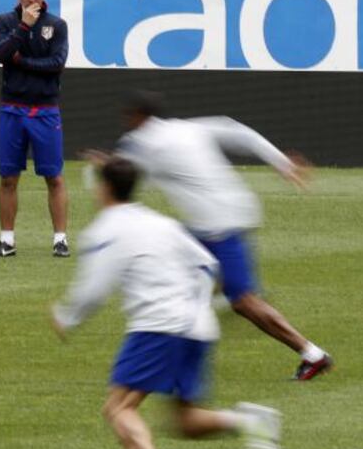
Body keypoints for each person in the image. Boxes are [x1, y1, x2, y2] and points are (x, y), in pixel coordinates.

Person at [52, 157, 281, 449]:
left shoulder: (104, 230)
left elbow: (93, 291)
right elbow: (209, 265)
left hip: (158, 327)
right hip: (198, 326)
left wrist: (66, 317)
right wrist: (196, 304)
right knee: (185, 420)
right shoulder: (161, 222)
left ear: (104, 188)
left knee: (118, 409)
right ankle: (250, 421)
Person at [111, 91, 333, 381]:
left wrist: (103, 165)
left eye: (129, 117)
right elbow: (241, 133)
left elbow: (120, 172)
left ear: (138, 116)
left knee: (243, 301)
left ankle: (312, 354)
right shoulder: (187, 127)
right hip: (230, 213)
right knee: (175, 271)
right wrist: (283, 163)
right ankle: (200, 312)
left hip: (216, 225)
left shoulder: (142, 143)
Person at [0, 0, 69, 258]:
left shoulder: (57, 25)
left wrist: (20, 60)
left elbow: (56, 64)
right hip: (12, 108)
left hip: (45, 110)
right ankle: (6, 240)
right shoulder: (7, 22)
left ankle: (60, 239)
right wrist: (23, 27)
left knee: (54, 177)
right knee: (8, 177)